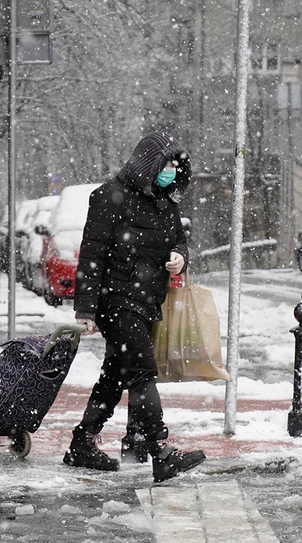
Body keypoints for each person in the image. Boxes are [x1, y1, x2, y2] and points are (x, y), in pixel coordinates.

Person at [66, 131, 207, 483]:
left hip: (146, 302)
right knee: (143, 372)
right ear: (148, 163)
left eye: (177, 166)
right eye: (167, 164)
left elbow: (179, 240)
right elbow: (92, 254)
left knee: (115, 374)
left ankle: (82, 442)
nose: (172, 172)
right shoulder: (109, 197)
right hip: (116, 301)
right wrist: (85, 310)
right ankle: (161, 450)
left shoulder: (165, 203)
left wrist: (179, 257)